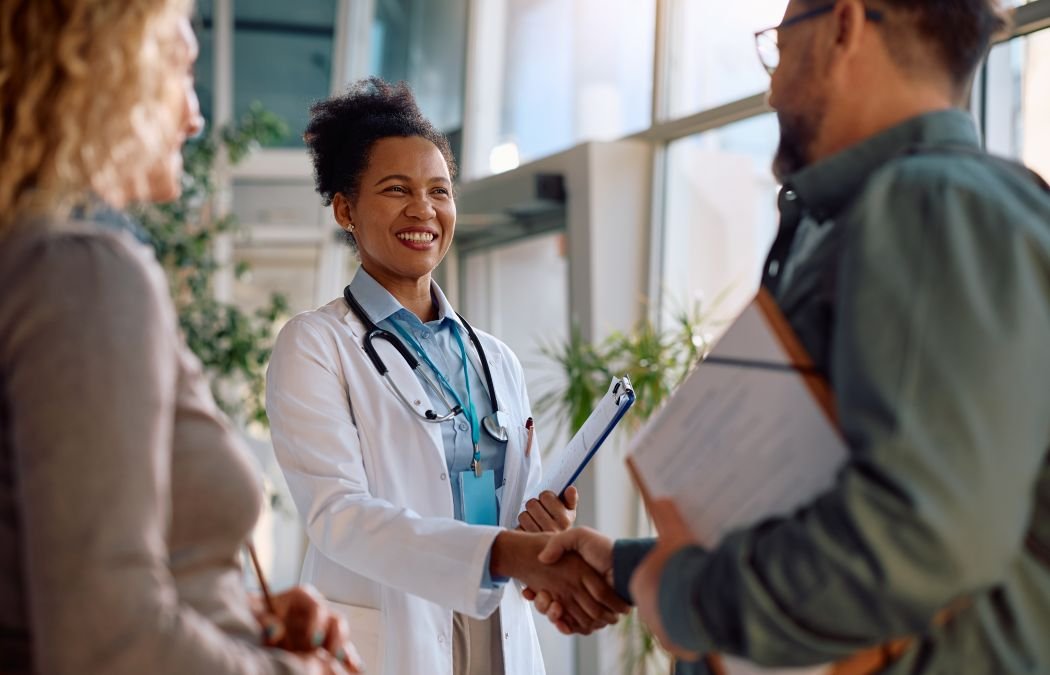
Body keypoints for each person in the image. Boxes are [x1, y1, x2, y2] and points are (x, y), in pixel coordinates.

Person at [532, 1, 1050, 673]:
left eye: (778, 46)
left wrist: (687, 594)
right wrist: (637, 568)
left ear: (845, 26)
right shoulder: (901, 213)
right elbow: (841, 489)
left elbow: (916, 539)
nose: (771, 84)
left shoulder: (931, 206)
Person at [0, 2, 361, 673]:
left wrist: (240, 618)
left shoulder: (26, 262)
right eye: (181, 66)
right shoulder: (83, 273)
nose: (195, 116)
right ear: (105, 63)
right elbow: (106, 645)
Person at [265, 77, 628, 675]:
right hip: (391, 634)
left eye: (440, 191)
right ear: (345, 208)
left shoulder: (495, 358)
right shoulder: (316, 345)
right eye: (396, 190)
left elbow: (512, 510)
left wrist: (541, 530)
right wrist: (510, 550)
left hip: (496, 628)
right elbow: (340, 517)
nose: (424, 210)